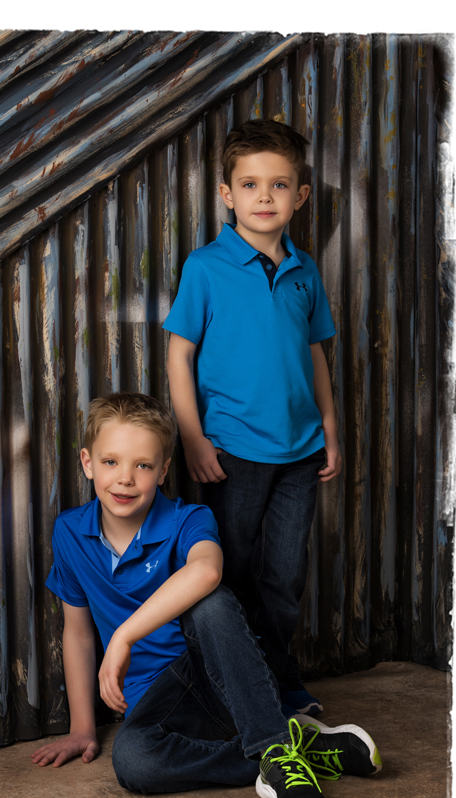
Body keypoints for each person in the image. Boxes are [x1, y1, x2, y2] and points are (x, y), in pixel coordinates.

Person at [32, 392, 381, 798]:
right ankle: (291, 749)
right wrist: (82, 727)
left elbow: (207, 573)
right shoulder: (69, 532)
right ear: (87, 463)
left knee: (210, 604)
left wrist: (124, 635)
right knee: (134, 761)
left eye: (142, 465)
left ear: (162, 470)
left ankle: (273, 749)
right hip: (159, 704)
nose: (124, 478)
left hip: (223, 678)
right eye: (110, 462)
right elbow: (79, 632)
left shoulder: (189, 518)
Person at [164, 119, 340, 716]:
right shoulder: (205, 268)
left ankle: (280, 683)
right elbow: (179, 354)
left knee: (284, 580)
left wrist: (331, 433)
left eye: (279, 185)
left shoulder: (305, 269)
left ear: (301, 195)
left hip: (301, 454)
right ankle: (232, 691)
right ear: (226, 193)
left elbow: (315, 354)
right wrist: (192, 438)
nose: (265, 197)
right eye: (250, 184)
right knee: (228, 576)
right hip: (232, 452)